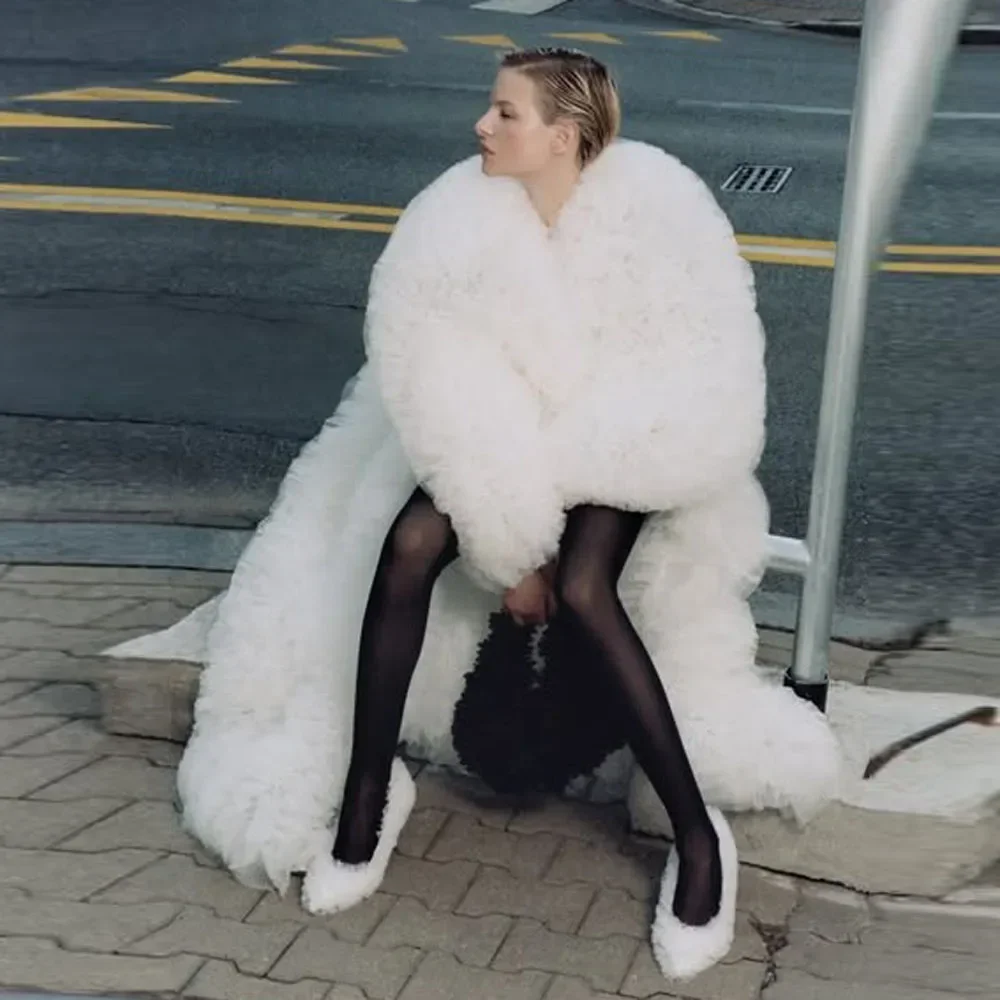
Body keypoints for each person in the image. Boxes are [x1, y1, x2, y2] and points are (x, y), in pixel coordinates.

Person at [106, 48, 843, 983]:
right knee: (411, 541)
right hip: (510, 446)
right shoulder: (457, 221)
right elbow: (449, 391)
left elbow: (700, 373)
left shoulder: (660, 211)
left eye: (505, 114)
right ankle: (367, 794)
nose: (481, 127)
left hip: (625, 435)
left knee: (583, 587)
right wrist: (512, 534)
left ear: (563, 136)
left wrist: (563, 508)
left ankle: (699, 842)